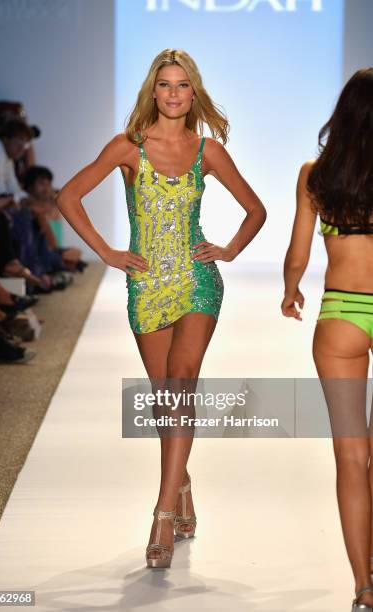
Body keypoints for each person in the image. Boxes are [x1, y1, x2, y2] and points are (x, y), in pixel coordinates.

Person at [56, 48, 266, 569]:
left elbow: (255, 209)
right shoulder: (128, 147)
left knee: (181, 383)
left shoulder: (207, 151)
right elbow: (68, 196)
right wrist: (106, 252)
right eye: (165, 85)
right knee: (165, 403)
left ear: (194, 92)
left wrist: (230, 249)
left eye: (183, 85)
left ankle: (162, 514)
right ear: (154, 91)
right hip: (147, 286)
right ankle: (184, 487)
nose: (174, 94)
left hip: (197, 280)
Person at [282, 67, 373, 610]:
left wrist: (291, 289)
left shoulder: (315, 175)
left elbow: (299, 252)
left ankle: (365, 586)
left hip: (340, 315)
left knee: (350, 458)